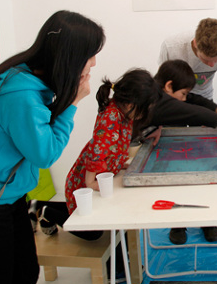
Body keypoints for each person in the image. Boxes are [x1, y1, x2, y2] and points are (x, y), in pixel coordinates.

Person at [0, 10, 105, 284]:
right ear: (69, 56)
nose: (94, 63)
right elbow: (45, 154)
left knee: (25, 276)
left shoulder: (28, 78)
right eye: (90, 55)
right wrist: (73, 102)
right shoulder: (21, 94)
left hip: (9, 198)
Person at [37, 69, 162, 240]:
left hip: (100, 175)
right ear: (131, 104)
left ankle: (41, 205)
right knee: (91, 231)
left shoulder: (122, 111)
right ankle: (46, 211)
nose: (143, 115)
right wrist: (90, 181)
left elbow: (116, 144)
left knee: (87, 213)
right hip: (86, 179)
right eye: (144, 110)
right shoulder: (111, 116)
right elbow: (97, 151)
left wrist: (120, 163)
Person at [149, 59, 217, 244]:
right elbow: (197, 113)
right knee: (174, 179)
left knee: (201, 175)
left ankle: (207, 220)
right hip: (165, 146)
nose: (185, 98)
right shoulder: (157, 100)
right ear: (168, 86)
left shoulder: (170, 93)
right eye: (183, 93)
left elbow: (201, 103)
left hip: (181, 139)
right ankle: (178, 223)